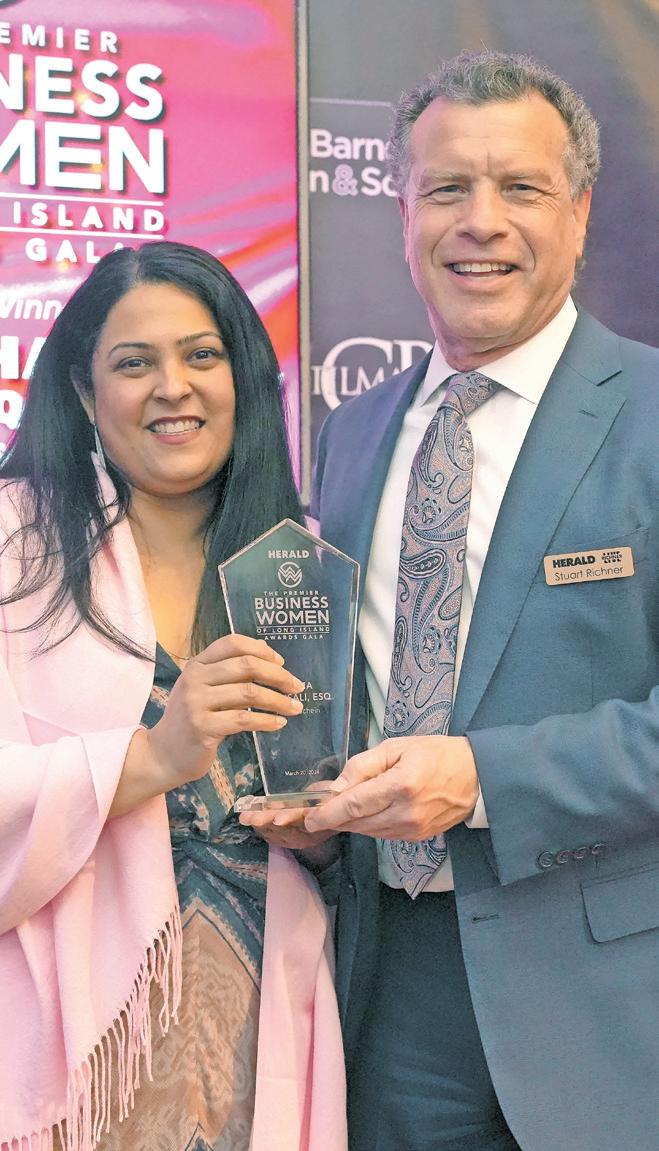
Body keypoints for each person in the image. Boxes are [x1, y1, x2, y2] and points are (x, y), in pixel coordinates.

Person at [298, 50, 657, 1151]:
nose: (480, 221)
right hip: (384, 987)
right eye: (446, 187)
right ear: (402, 213)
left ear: (579, 214)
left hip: (610, 1004)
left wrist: (481, 779)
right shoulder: (351, 433)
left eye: (520, 187)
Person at [0, 241, 343, 1151]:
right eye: (133, 363)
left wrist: (320, 830)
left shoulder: (304, 564)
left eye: (201, 354)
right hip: (75, 1044)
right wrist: (153, 757)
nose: (173, 387)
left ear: (243, 378)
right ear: (84, 392)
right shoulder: (13, 544)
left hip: (259, 1012)